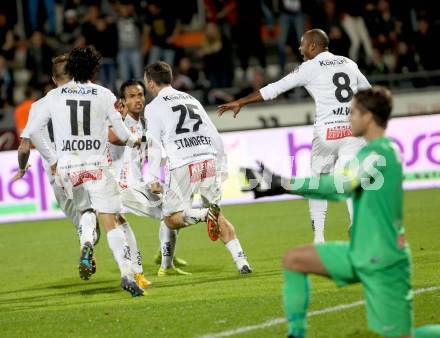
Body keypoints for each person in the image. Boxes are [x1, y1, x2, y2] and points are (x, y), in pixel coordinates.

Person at [243, 86, 440, 338]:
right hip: (361, 252)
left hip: (384, 259)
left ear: (368, 117)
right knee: (293, 260)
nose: (349, 118)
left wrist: (282, 183)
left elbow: (338, 186)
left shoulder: (378, 152)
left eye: (353, 113)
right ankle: (295, 333)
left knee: (402, 336)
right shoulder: (378, 150)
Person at [218, 28, 371, 244]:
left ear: (313, 46)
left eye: (302, 44)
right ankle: (357, 225)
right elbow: (368, 93)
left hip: (327, 131)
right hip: (352, 130)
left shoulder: (309, 67)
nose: (300, 48)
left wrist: (241, 101)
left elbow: (274, 89)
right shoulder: (348, 63)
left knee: (318, 182)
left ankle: (319, 238)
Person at [26, 47, 144, 297]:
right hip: (97, 166)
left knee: (85, 211)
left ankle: (87, 242)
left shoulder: (54, 96)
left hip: (68, 168)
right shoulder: (104, 94)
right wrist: (137, 141)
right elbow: (122, 134)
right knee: (111, 222)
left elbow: (35, 131)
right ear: (94, 69)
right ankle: (126, 275)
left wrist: (53, 158)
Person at [144, 61, 252, 274]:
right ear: (170, 78)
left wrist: (154, 176)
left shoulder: (153, 107)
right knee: (218, 215)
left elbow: (154, 145)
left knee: (171, 219)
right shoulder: (190, 98)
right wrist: (222, 165)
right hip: (208, 160)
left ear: (150, 82)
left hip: (184, 163)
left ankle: (204, 215)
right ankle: (242, 261)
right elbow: (214, 134)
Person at [108, 79, 189, 277]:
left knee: (174, 210)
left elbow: (150, 154)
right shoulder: (119, 120)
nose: (138, 99)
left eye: (140, 95)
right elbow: (112, 138)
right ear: (123, 101)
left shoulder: (145, 122)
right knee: (171, 214)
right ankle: (165, 264)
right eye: (132, 96)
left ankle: (166, 256)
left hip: (139, 183)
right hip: (122, 186)